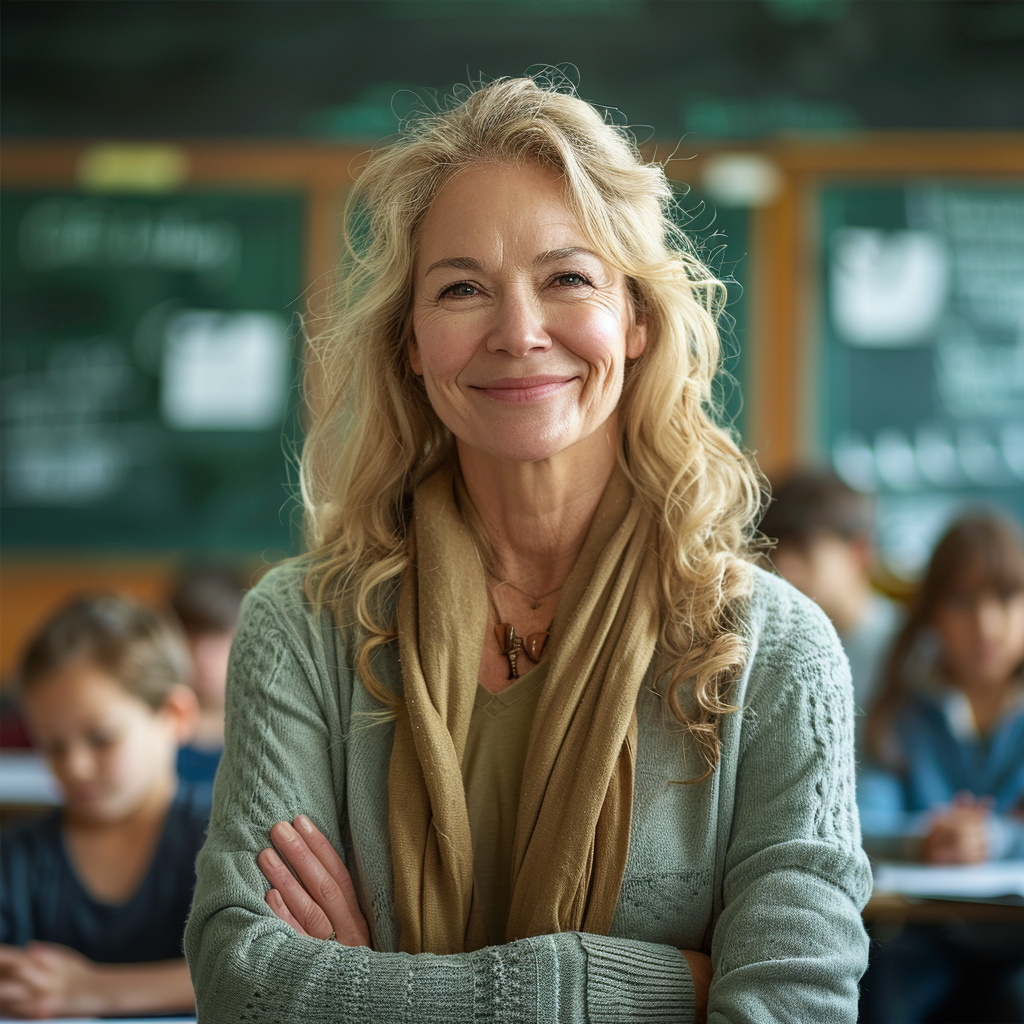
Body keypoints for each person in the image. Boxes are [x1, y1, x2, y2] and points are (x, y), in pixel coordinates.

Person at [185, 77, 871, 1023]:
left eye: (568, 279)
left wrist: (369, 990)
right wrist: (636, 985)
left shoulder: (779, 652)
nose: (518, 333)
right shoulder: (302, 628)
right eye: (462, 288)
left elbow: (792, 1009)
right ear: (412, 343)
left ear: (636, 319)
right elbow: (246, 984)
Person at [0, 594, 207, 1019]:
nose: (74, 766)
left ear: (175, 715)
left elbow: (265, 972)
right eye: (53, 744)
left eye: (101, 738)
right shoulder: (17, 857)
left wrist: (95, 990)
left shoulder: (224, 843)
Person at [857, 513, 1024, 1024]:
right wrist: (925, 839)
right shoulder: (901, 713)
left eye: (1007, 599)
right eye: (962, 601)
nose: (987, 624)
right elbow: (860, 821)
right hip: (921, 941)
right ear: (931, 615)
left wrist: (992, 838)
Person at [760, 468, 902, 756]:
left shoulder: (908, 647)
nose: (782, 567)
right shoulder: (766, 648)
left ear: (859, 551)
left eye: (801, 548)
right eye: (771, 548)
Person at [170, 565, 246, 806]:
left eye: (217, 636)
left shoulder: (266, 731)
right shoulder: (156, 731)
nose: (202, 653)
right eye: (191, 635)